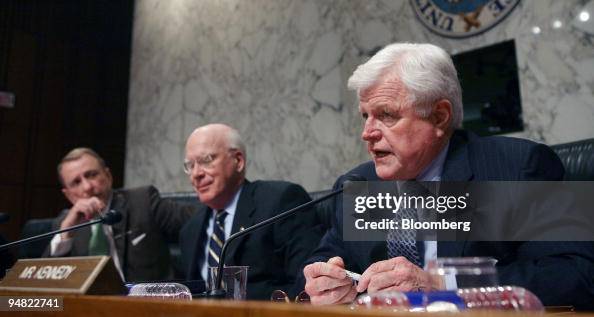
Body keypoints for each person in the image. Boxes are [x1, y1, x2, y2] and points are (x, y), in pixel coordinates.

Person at [302, 43, 594, 309]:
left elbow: (575, 275)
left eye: (387, 115)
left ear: (439, 116)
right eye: (365, 115)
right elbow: (322, 262)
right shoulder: (358, 186)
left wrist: (442, 286)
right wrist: (324, 283)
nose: (367, 132)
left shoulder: (517, 167)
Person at [179, 123, 322, 300]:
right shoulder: (190, 229)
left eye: (206, 160)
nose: (196, 174)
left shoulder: (281, 202)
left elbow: (307, 286)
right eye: (189, 165)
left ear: (238, 161)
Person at [47, 148, 195, 282]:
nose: (87, 187)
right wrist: (66, 234)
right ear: (68, 195)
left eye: (92, 175)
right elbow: (43, 283)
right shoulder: (65, 224)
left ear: (108, 175)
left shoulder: (143, 201)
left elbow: (197, 221)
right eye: (76, 182)